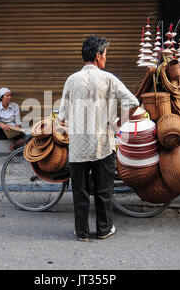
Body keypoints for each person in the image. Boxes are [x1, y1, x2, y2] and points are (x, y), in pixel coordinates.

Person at [58, 35, 139, 241]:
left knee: (80, 191)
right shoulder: (108, 78)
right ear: (97, 55)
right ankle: (104, 229)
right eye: (105, 54)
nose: (106, 58)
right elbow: (133, 102)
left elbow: (62, 117)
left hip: (77, 147)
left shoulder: (71, 79)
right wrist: (119, 124)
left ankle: (82, 232)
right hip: (103, 144)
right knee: (104, 190)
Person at [0, 87, 26, 160]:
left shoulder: (15, 106)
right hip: (1, 129)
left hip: (12, 128)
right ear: (1, 97)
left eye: (10, 95)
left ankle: (12, 146)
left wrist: (16, 129)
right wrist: (2, 125)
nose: (10, 97)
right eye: (7, 95)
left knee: (26, 137)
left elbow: (17, 121)